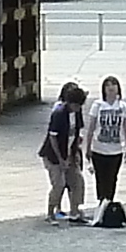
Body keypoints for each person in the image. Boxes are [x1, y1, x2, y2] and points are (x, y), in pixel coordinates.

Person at [84, 75, 126, 228]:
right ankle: (101, 205)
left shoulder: (123, 106)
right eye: (108, 85)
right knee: (100, 179)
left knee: (112, 179)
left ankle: (109, 205)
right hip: (99, 149)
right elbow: (91, 128)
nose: (111, 88)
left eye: (113, 85)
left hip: (116, 150)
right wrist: (87, 148)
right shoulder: (97, 105)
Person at [40, 80, 89, 223]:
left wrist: (74, 154)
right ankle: (50, 213)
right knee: (59, 183)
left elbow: (77, 132)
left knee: (77, 180)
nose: (77, 108)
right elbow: (53, 138)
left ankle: (75, 210)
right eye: (75, 105)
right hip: (53, 154)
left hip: (70, 151)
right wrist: (60, 160)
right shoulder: (59, 113)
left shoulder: (77, 113)